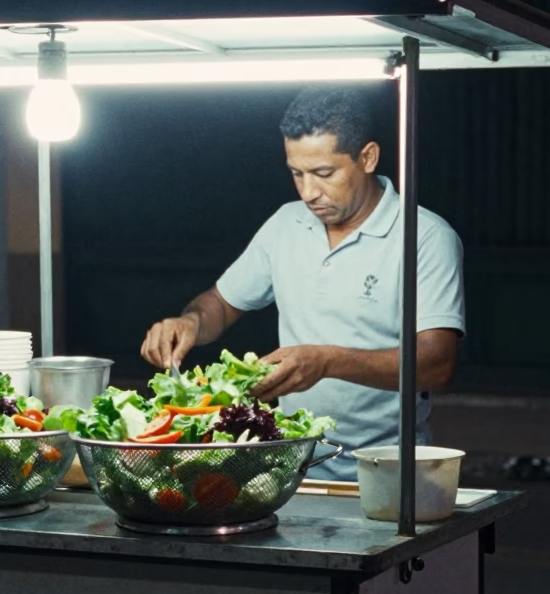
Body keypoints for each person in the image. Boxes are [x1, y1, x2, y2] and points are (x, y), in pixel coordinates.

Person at [140, 86, 465, 480]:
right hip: (291, 467)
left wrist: (326, 361)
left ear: (367, 157)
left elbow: (437, 363)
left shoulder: (424, 235)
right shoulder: (285, 223)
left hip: (389, 473)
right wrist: (189, 322)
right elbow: (222, 304)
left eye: (324, 173)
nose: (309, 192)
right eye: (297, 173)